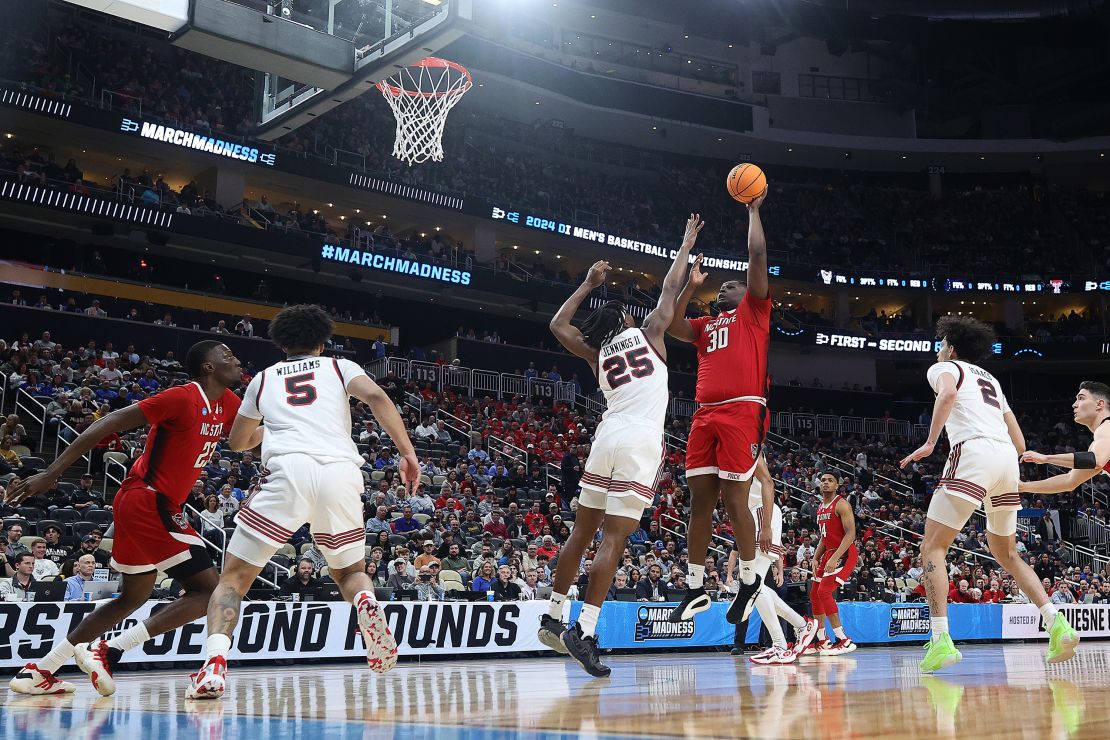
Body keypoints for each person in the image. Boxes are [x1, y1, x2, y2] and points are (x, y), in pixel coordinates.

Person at [188, 305, 418, 699]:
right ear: (322, 340)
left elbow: (238, 442)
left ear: (281, 343)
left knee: (234, 579)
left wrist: (277, 426)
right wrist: (407, 452)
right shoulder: (339, 367)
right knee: (349, 573)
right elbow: (377, 397)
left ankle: (214, 665)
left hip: (288, 473)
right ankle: (365, 601)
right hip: (339, 473)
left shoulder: (262, 380)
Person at [6, 340, 242, 697]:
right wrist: (53, 472)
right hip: (150, 500)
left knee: (132, 598)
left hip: (144, 504)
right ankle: (109, 649)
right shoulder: (181, 397)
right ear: (208, 367)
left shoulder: (228, 403)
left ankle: (40, 670)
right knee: (209, 591)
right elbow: (111, 422)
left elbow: (251, 439)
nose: (236, 360)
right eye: (226, 356)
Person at [540, 215, 699, 677]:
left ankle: (553, 615)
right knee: (614, 538)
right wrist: (685, 242)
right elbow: (671, 287)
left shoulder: (597, 353)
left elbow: (556, 324)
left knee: (580, 533)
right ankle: (585, 631)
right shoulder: (650, 334)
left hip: (607, 435)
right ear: (628, 318)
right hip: (639, 439)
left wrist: (587, 283)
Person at [899, 317, 1078, 672]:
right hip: (1007, 461)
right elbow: (1020, 441)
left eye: (940, 345)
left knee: (932, 546)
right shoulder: (992, 380)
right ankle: (1056, 622)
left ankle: (940, 640)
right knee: (1007, 553)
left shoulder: (945, 368)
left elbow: (948, 395)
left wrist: (931, 442)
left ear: (950, 346)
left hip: (974, 453)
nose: (938, 351)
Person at [665, 195, 770, 626]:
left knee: (734, 498)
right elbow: (670, 323)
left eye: (733, 283)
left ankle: (748, 579)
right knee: (700, 502)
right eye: (721, 285)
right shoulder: (707, 325)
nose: (724, 285)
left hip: (743, 411)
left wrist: (752, 210)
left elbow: (757, 253)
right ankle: (694, 588)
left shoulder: (755, 312)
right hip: (705, 414)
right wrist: (689, 284)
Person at [732, 455, 818, 665]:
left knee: (751, 583)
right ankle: (801, 625)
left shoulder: (748, 446)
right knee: (755, 584)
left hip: (763, 513)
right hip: (754, 514)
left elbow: (768, 482)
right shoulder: (728, 452)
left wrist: (767, 525)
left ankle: (780, 644)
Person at [802, 471, 858, 656]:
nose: (826, 483)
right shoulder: (820, 507)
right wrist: (816, 557)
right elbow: (824, 538)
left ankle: (843, 639)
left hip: (844, 553)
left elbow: (851, 533)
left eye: (830, 480)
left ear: (837, 485)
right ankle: (822, 640)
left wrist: (834, 558)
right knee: (814, 594)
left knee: (824, 592)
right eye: (823, 480)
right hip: (829, 553)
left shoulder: (841, 504)